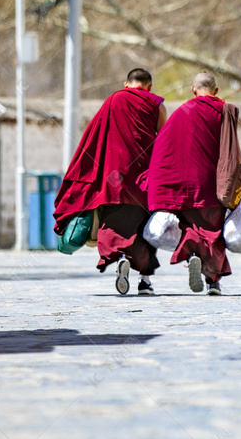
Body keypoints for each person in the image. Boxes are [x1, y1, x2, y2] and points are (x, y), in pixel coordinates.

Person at [53, 68, 167, 296]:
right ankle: (145, 282)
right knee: (144, 227)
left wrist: (83, 177)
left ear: (126, 84)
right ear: (149, 87)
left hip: (112, 179)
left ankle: (121, 258)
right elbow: (164, 140)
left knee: (112, 223)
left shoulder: (114, 99)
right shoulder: (156, 104)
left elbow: (93, 138)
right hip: (143, 179)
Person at [144, 72, 241, 296]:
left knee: (190, 227)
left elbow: (163, 146)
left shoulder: (182, 111)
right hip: (214, 182)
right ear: (216, 91)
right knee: (213, 231)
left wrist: (158, 179)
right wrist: (239, 180)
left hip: (184, 183)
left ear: (193, 90)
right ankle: (213, 282)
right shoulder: (225, 111)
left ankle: (194, 257)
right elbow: (233, 148)